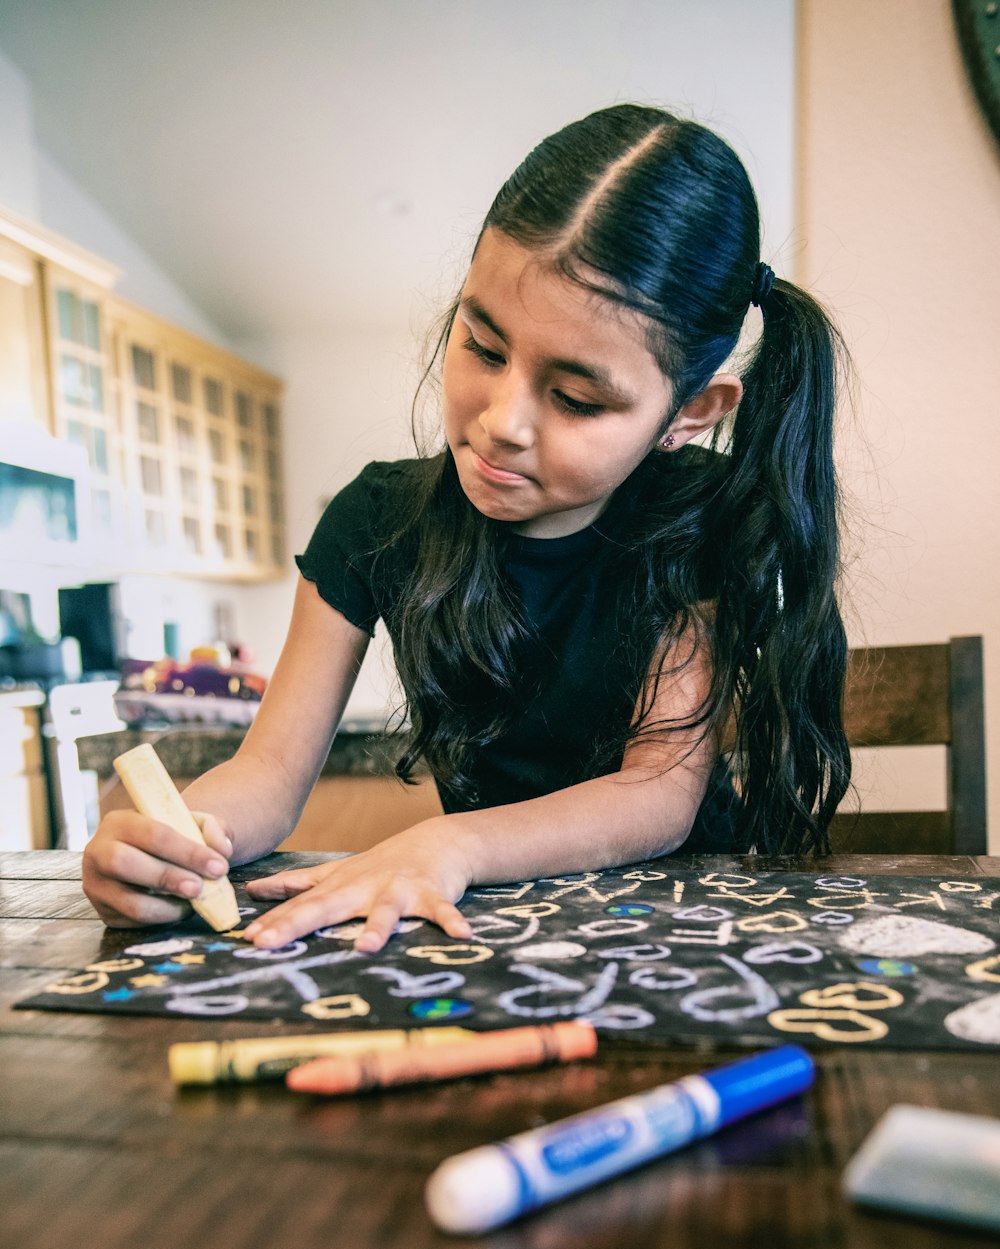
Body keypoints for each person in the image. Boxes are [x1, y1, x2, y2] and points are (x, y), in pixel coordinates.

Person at [83, 103, 851, 954]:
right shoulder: (373, 523)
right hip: (487, 932)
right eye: (484, 348)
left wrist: (450, 842)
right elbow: (267, 772)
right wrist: (180, 842)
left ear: (688, 414)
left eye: (576, 399)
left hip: (687, 928)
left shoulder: (698, 522)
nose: (501, 423)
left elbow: (655, 797)